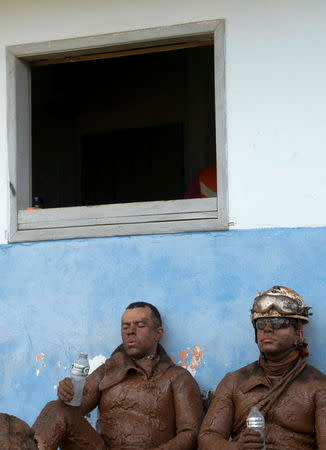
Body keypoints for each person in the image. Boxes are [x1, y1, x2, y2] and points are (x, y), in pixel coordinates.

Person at [33, 302, 203, 449]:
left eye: (140, 325)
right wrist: (68, 393)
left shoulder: (177, 377)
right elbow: (76, 407)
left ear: (158, 333)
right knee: (57, 408)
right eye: (125, 327)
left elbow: (190, 433)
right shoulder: (108, 370)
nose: (131, 331)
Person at [198, 285, 326, 449]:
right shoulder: (234, 382)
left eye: (279, 322)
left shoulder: (319, 387)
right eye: (261, 323)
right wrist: (236, 448)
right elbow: (206, 438)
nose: (267, 329)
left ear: (298, 334)